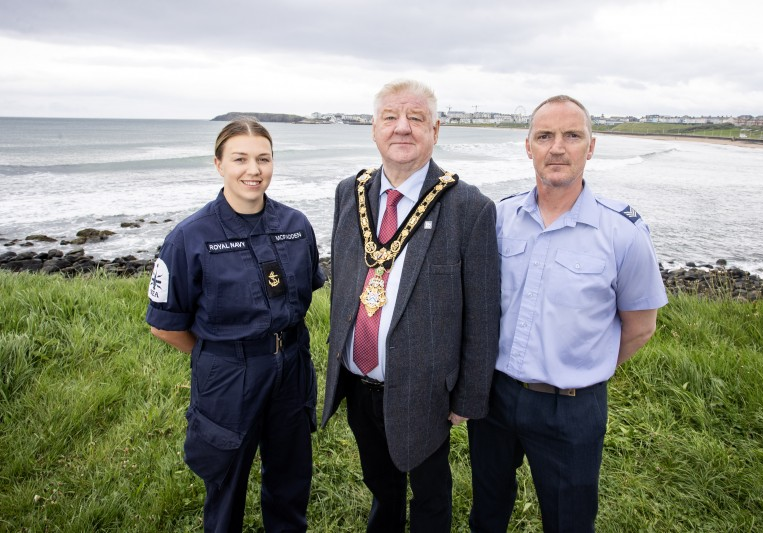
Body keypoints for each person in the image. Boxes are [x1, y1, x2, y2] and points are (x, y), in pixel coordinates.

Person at [468, 95, 669, 532]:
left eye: (571, 135)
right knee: (486, 511)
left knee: (569, 522)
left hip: (572, 408)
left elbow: (640, 326)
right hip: (495, 399)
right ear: (528, 147)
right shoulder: (498, 218)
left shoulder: (623, 233)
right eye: (545, 136)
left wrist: (582, 368)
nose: (557, 147)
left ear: (590, 147)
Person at [321, 79, 500, 532]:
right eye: (390, 118)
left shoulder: (469, 207)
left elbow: (482, 314)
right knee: (381, 485)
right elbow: (344, 280)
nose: (402, 128)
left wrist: (468, 398)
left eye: (416, 118)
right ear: (374, 129)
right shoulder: (349, 193)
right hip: (360, 381)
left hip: (425, 391)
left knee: (430, 494)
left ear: (435, 130)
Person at [146, 118, 326, 532]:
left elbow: (304, 292)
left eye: (263, 158)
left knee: (290, 478)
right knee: (225, 480)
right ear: (218, 164)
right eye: (240, 158)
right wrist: (222, 357)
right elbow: (165, 325)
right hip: (229, 375)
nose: (253, 169)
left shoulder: (296, 226)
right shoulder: (189, 237)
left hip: (292, 367)